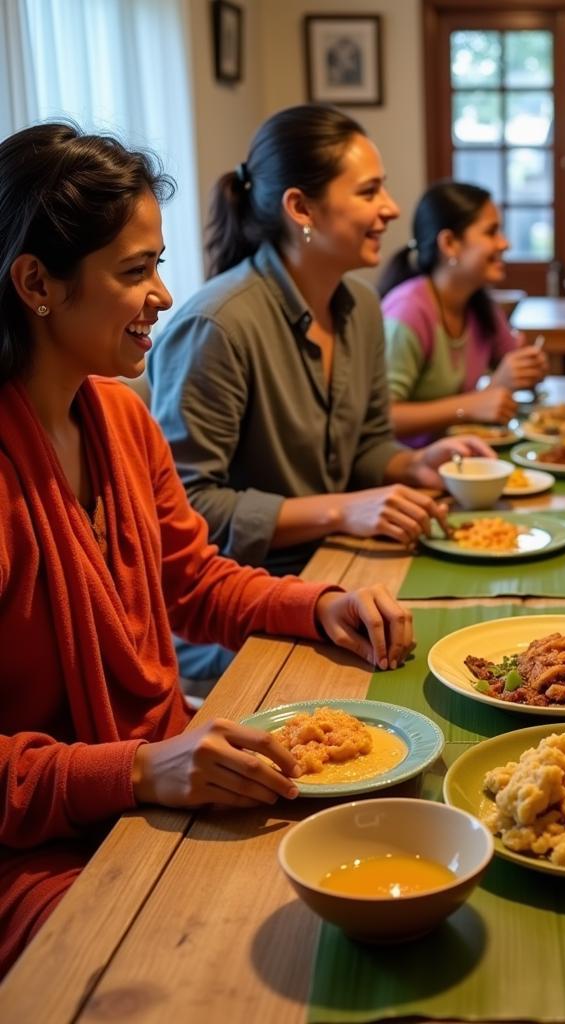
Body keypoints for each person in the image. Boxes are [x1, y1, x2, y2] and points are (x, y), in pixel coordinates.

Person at [0, 123, 415, 976]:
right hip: (41, 847)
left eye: (157, 263)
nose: (163, 293)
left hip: (156, 775)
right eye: (133, 271)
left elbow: (191, 580)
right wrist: (139, 769)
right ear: (36, 282)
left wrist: (320, 603)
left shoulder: (117, 417)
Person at [149, 106, 491, 680]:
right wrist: (344, 508)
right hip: (238, 621)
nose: (391, 208)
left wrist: (414, 461)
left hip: (339, 576)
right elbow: (187, 509)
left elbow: (366, 446)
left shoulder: (357, 309)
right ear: (300, 208)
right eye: (369, 191)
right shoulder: (218, 326)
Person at [378, 180, 547, 445]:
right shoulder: (408, 311)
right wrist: (472, 404)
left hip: (460, 457)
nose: (505, 244)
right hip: (409, 469)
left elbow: (510, 365)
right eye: (492, 232)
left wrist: (528, 369)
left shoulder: (479, 305)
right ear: (449, 243)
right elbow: (384, 416)